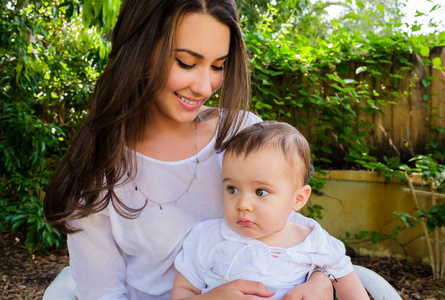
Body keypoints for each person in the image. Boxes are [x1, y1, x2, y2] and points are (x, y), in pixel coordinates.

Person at [44, 0, 333, 299]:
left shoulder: (242, 135)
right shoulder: (97, 174)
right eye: (186, 62)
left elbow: (296, 235)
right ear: (138, 51)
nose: (205, 87)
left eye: (219, 66)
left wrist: (321, 278)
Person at [172, 121, 369, 300]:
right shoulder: (209, 237)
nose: (243, 204)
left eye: (261, 191)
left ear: (298, 198)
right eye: (232, 189)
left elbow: (350, 286)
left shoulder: (312, 240)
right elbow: (182, 292)